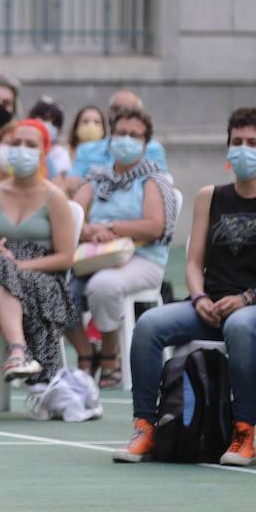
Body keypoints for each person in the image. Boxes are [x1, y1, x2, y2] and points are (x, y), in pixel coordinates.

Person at [114, 108, 256, 465]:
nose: (243, 149)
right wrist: (200, 296)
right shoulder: (210, 196)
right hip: (209, 304)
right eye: (237, 142)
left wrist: (247, 298)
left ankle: (243, 432)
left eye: (253, 143)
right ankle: (146, 427)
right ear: (227, 148)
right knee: (148, 326)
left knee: (239, 324)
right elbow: (192, 261)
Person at [0, 118, 78, 420]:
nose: (21, 150)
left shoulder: (56, 197)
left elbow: (65, 258)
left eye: (30, 145)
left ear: (43, 154)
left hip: (43, 277)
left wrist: (17, 264)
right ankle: (16, 354)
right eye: (15, 143)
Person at [69, 106, 179, 388]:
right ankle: (85, 352)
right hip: (93, 256)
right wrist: (88, 230)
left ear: (146, 143)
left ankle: (109, 356)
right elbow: (71, 216)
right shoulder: (97, 176)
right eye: (120, 133)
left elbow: (154, 226)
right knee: (52, 289)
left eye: (135, 135)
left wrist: (111, 228)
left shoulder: (153, 179)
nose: (126, 139)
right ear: (110, 137)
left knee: (103, 285)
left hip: (142, 259)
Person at [64, 91, 167, 193]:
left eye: (130, 110)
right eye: (121, 133)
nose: (123, 114)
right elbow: (70, 184)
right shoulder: (87, 149)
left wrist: (93, 181)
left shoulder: (153, 148)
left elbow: (159, 187)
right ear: (109, 112)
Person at [27, 96, 71, 179]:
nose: (49, 125)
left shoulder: (60, 154)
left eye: (54, 123)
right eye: (45, 119)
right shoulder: (17, 144)